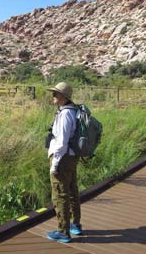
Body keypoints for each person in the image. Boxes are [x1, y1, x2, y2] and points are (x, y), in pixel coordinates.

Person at [45, 82, 83, 243]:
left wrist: (55, 164)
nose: (53, 95)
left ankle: (63, 231)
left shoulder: (65, 114)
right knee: (72, 190)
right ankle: (75, 224)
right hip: (71, 156)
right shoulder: (73, 111)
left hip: (63, 158)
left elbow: (61, 142)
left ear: (64, 96)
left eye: (56, 93)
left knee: (60, 194)